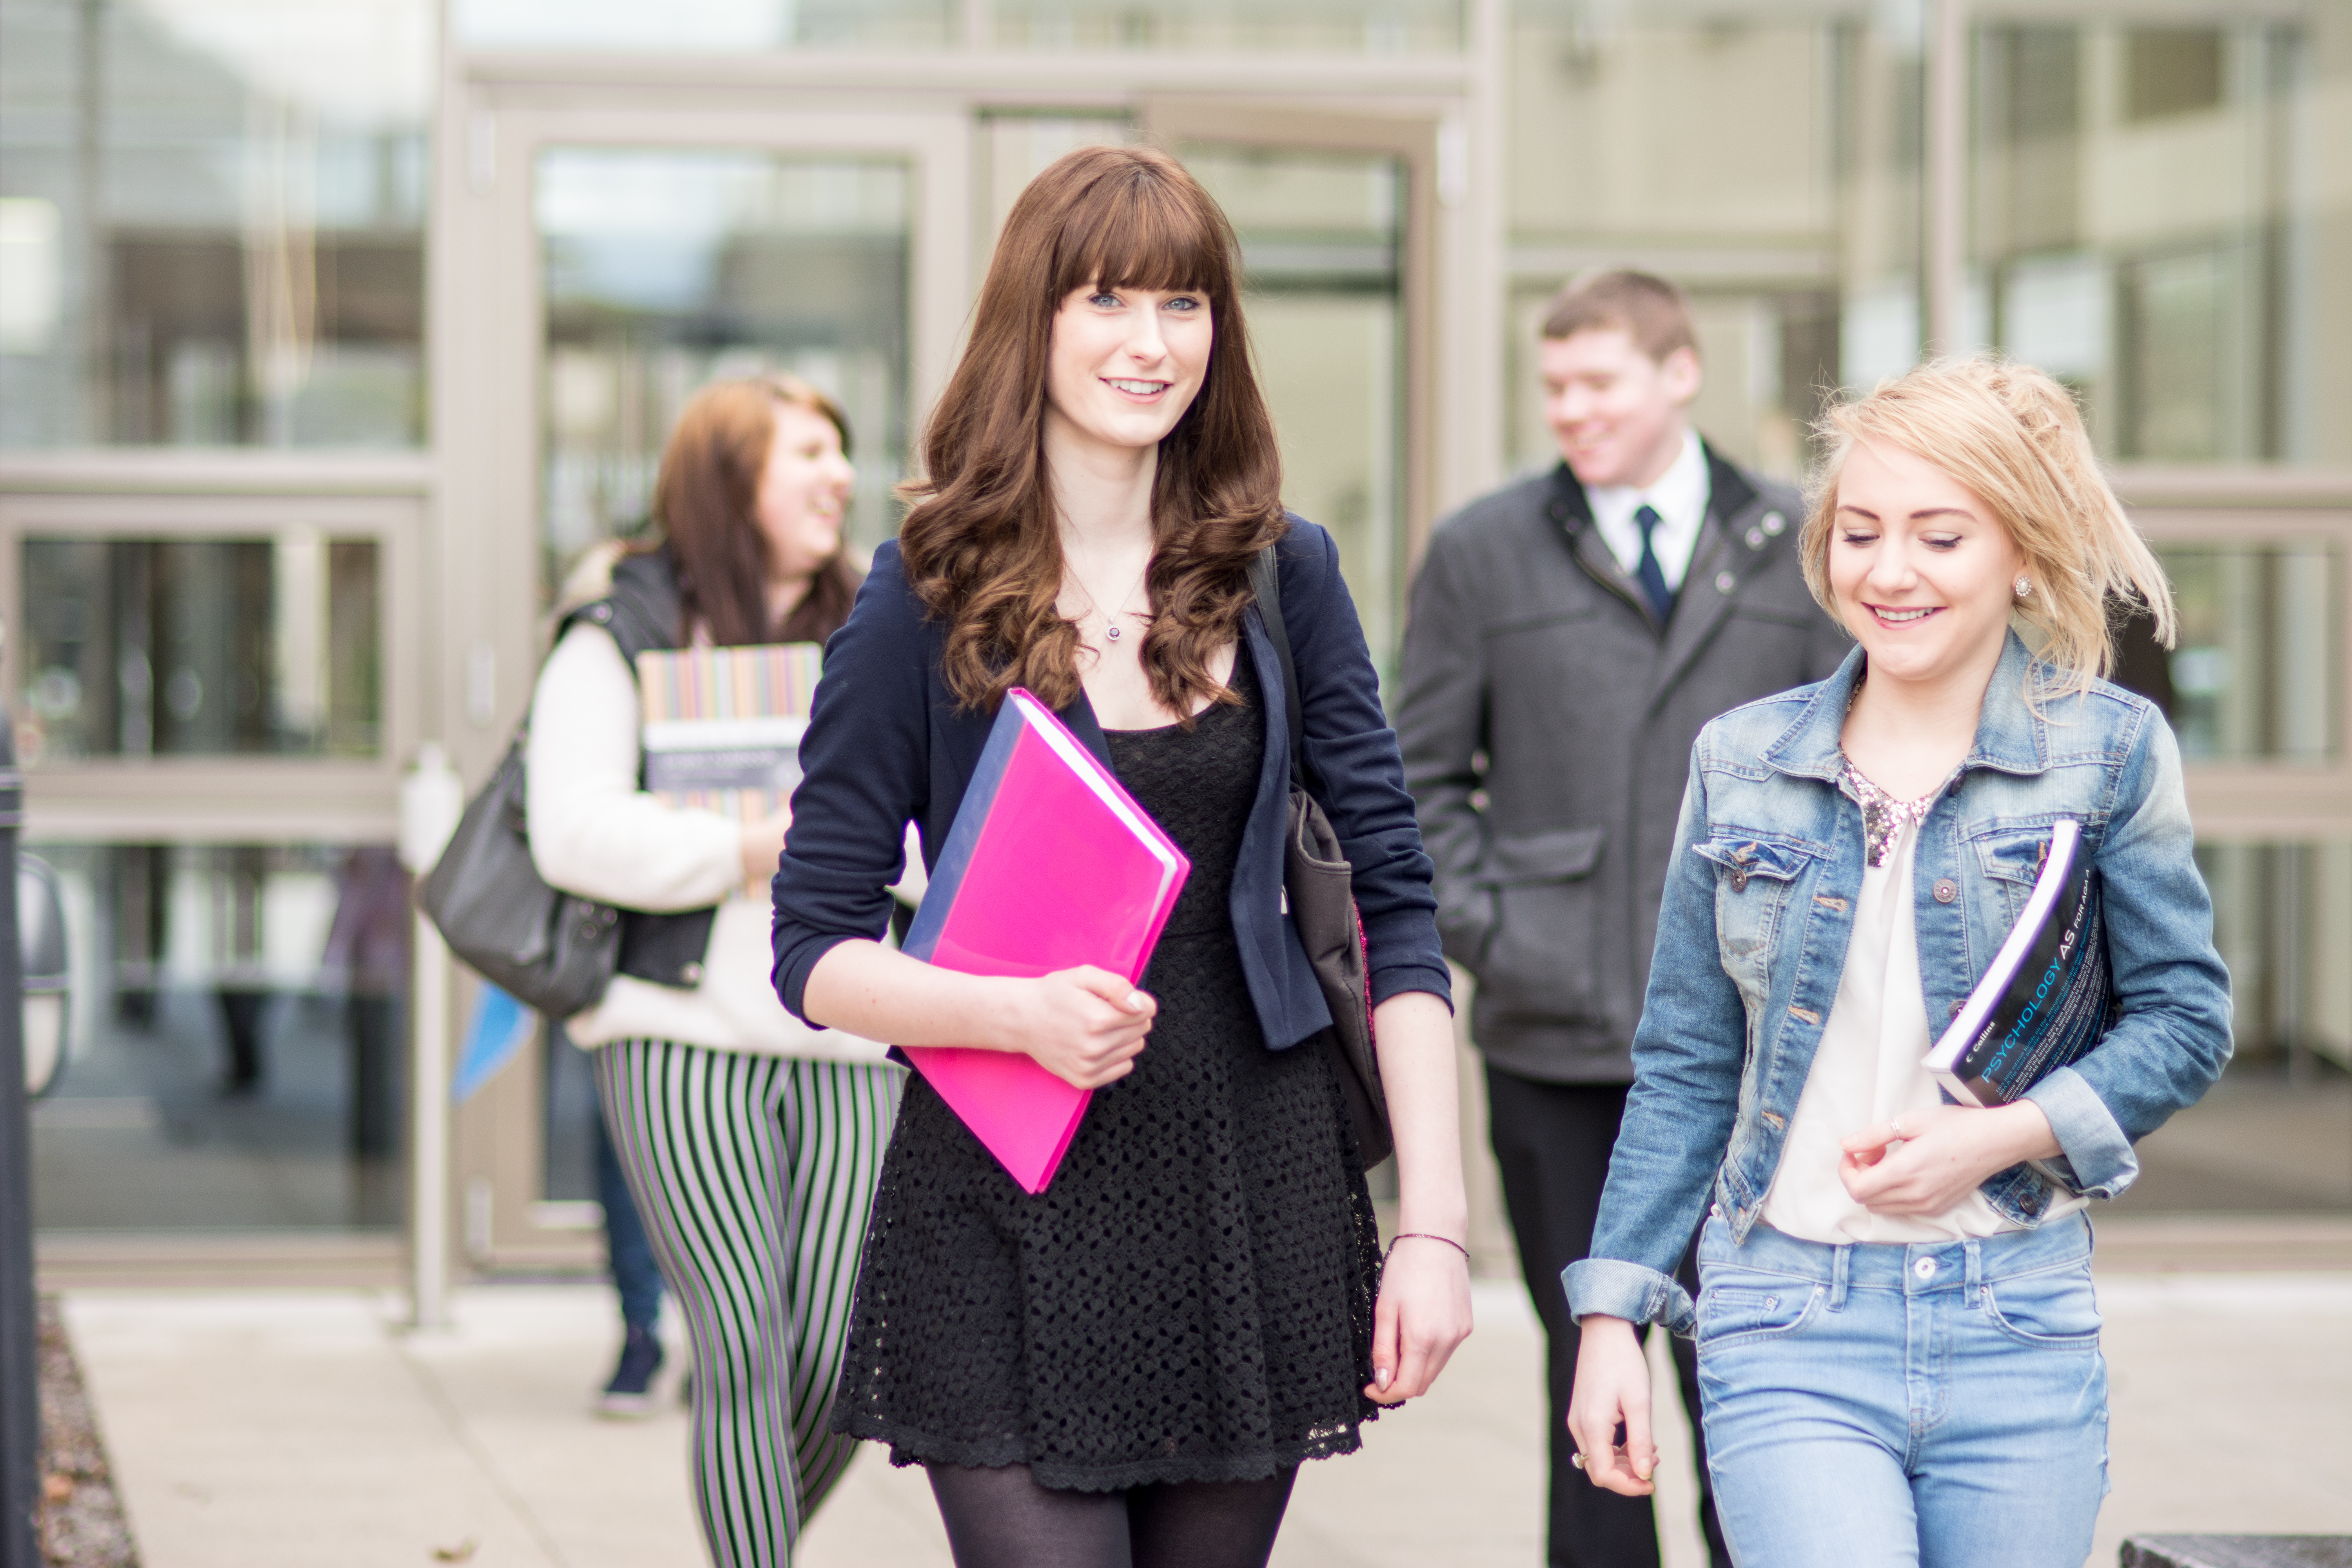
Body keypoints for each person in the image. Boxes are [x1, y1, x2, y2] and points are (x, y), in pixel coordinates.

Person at [769, 144, 1474, 1568]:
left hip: (1251, 1187)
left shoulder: (1283, 572)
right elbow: (813, 948)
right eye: (1106, 300)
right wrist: (1009, 1014)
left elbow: (1395, 908)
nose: (1150, 344)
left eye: (1183, 304)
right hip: (1004, 1194)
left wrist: (1437, 1229)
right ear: (1031, 324)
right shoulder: (923, 592)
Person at [1565, 357, 2234, 1566]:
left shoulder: (2108, 751)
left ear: (2021, 553)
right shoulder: (1743, 761)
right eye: (1861, 532)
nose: (1889, 571)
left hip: (2017, 1318)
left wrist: (2002, 1136)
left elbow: (2184, 1021)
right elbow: (1686, 1066)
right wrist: (1615, 1311)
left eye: (1941, 536)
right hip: (1788, 1318)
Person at [1395, 268, 1846, 1568]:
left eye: (1599, 382)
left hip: (1763, 1056)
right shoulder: (1483, 550)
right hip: (1556, 1045)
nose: (1572, 410)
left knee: (1749, 1371)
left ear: (1680, 373)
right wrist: (1506, 935)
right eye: (1554, 387)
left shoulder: (1798, 538)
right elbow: (1418, 785)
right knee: (1591, 1369)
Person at [526, 374, 900, 1567]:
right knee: (741, 1343)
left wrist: (867, 847)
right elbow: (572, 830)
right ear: (730, 481)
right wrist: (751, 847)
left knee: (842, 1353)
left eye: (840, 452)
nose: (840, 477)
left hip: (856, 1034)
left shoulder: (887, 622)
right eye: (808, 455)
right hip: (679, 1038)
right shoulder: (620, 626)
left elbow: (947, 820)